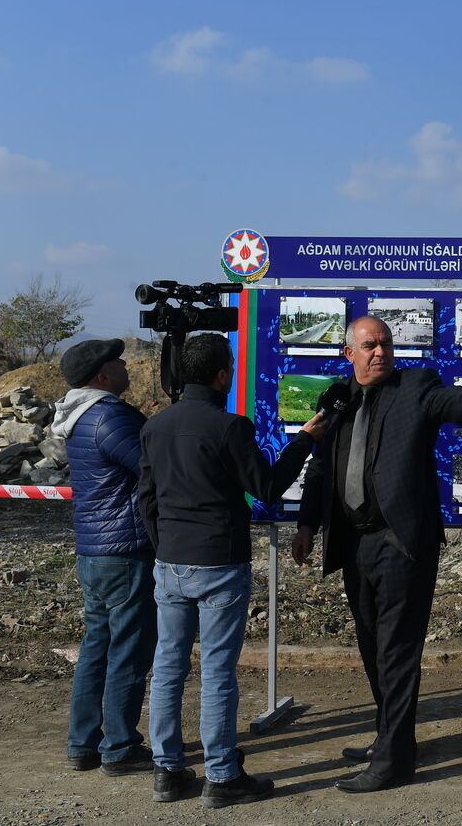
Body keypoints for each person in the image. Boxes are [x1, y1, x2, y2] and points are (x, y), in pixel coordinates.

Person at [293, 315, 462, 793]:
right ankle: (390, 739)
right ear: (348, 354)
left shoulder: (415, 385)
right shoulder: (335, 399)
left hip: (400, 542)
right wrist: (307, 525)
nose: (380, 352)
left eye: (385, 344)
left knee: (397, 651)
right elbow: (320, 468)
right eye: (369, 345)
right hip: (353, 543)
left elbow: (454, 401)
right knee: (373, 648)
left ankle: (394, 763)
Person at [138, 334, 327, 808]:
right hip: (219, 562)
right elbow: (266, 486)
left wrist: (166, 547)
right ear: (225, 374)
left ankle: (167, 770)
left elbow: (145, 499)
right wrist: (304, 439)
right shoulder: (230, 428)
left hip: (171, 562)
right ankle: (221, 775)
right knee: (218, 671)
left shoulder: (155, 427)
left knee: (166, 667)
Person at [51, 339, 155, 777]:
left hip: (94, 550)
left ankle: (83, 743)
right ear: (101, 376)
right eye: (117, 361)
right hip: (124, 550)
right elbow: (151, 468)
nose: (125, 364)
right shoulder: (109, 417)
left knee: (97, 646)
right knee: (128, 650)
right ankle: (120, 747)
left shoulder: (77, 417)